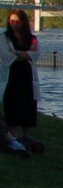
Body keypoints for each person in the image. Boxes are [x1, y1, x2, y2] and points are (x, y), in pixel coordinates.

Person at [3, 9, 40, 142]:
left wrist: (15, 51)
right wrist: (25, 54)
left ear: (23, 22)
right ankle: (12, 140)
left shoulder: (33, 39)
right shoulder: (4, 38)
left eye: (18, 21)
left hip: (28, 78)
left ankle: (25, 139)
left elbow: (34, 56)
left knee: (28, 108)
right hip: (10, 78)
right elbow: (6, 58)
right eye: (12, 21)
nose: (15, 24)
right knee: (12, 109)